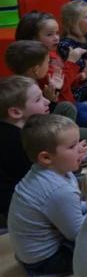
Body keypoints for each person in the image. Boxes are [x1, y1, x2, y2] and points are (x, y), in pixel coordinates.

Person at [7, 114, 87, 277]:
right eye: (72, 146)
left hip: (35, 249)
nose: (80, 149)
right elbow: (79, 234)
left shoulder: (48, 170)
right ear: (46, 157)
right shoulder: (58, 190)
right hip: (46, 259)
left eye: (78, 142)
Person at [4, 40, 87, 140]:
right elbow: (36, 117)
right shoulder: (27, 87)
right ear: (36, 69)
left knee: (67, 107)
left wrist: (51, 97)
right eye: (48, 63)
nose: (50, 66)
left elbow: (44, 106)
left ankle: (67, 134)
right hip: (39, 132)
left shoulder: (26, 81)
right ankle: (67, 138)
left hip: (43, 120)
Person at [0, 77, 52, 227]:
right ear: (16, 112)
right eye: (38, 100)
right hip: (16, 204)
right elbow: (41, 179)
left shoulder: (18, 131)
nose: (46, 101)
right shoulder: (17, 142)